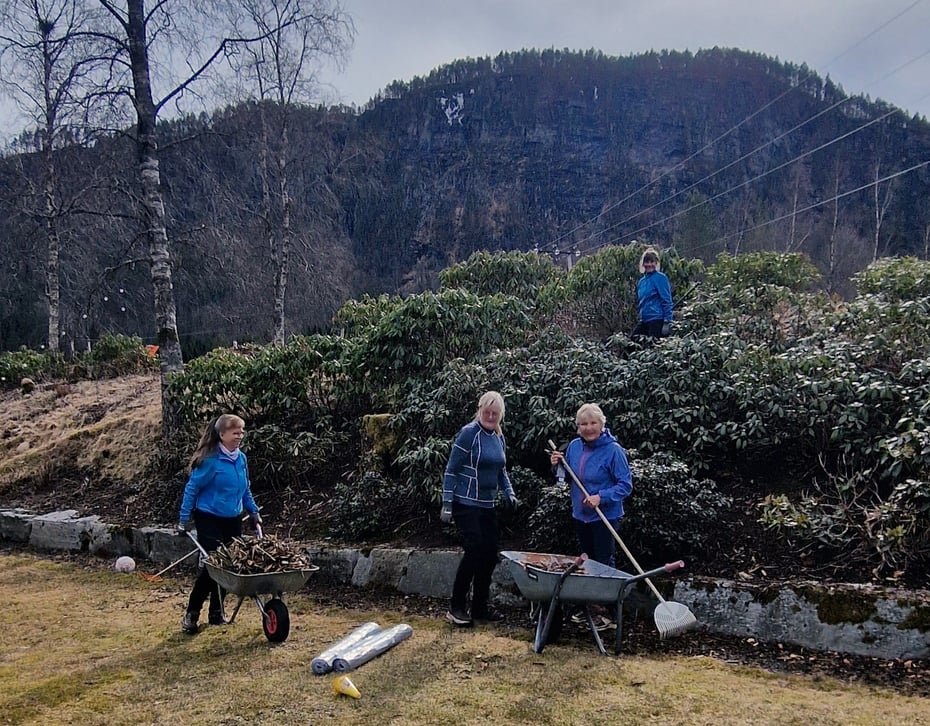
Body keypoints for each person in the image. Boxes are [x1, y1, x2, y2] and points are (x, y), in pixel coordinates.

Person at [549, 403, 632, 630]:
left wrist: (601, 497)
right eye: (583, 424)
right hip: (581, 515)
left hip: (605, 516)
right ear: (578, 427)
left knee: (603, 563)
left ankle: (608, 611)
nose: (588, 428)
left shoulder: (614, 451)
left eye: (593, 423)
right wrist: (557, 465)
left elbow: (625, 485)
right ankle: (590, 609)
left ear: (602, 424)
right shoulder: (575, 447)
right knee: (586, 562)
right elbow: (566, 478)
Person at [177, 413, 262, 634]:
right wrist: (184, 518)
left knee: (230, 565)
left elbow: (245, 488)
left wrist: (253, 511)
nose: (240, 436)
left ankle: (217, 613)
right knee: (213, 565)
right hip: (209, 518)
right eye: (235, 432)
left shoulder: (240, 459)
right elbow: (192, 488)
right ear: (222, 434)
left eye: (242, 432)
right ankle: (192, 613)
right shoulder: (210, 461)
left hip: (232, 518)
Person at [441, 391, 518, 627]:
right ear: (480, 410)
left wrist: (509, 492)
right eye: (487, 411)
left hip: (487, 504)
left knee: (489, 553)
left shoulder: (498, 437)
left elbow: (501, 470)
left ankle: (480, 608)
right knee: (474, 549)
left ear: (500, 415)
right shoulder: (468, 434)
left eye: (495, 413)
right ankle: (456, 607)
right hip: (465, 502)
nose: (491, 416)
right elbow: (451, 469)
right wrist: (446, 503)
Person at [632, 247, 673, 338]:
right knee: (632, 344)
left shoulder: (660, 278)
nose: (649, 264)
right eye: (647, 262)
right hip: (644, 320)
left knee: (652, 346)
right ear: (643, 264)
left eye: (652, 262)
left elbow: (666, 300)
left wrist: (667, 321)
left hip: (657, 319)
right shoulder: (642, 281)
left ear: (656, 263)